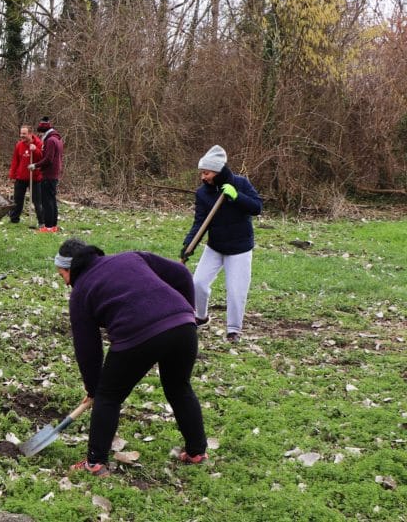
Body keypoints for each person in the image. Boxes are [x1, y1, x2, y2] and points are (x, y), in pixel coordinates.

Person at [54, 238, 209, 477]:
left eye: (61, 274)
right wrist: (188, 311)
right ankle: (197, 451)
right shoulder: (131, 257)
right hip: (183, 327)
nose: (64, 282)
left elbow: (87, 348)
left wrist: (94, 388)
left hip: (138, 335)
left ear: (70, 270)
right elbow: (181, 273)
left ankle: (95, 462)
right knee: (179, 387)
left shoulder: (81, 292)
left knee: (109, 395)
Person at [181, 145, 262, 342]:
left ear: (217, 170)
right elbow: (200, 222)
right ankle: (201, 316)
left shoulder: (241, 184)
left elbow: (257, 207)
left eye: (206, 173)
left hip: (240, 249)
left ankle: (233, 330)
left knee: (235, 291)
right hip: (215, 246)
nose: (203, 177)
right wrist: (188, 245)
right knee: (198, 283)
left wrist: (236, 196)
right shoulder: (202, 193)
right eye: (201, 173)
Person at [29, 117, 62, 233]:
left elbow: (48, 159)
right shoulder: (56, 139)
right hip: (54, 175)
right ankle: (53, 226)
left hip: (48, 175)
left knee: (47, 201)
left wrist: (35, 165)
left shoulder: (50, 141)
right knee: (52, 200)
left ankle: (48, 226)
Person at [7, 125, 43, 225]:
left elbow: (42, 159)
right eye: (21, 133)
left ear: (30, 134)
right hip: (21, 177)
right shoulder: (19, 145)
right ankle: (14, 219)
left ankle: (41, 221)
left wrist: (35, 150)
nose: (21, 135)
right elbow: (15, 161)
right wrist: (12, 175)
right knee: (18, 199)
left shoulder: (39, 143)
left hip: (34, 177)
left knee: (37, 201)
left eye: (24, 134)